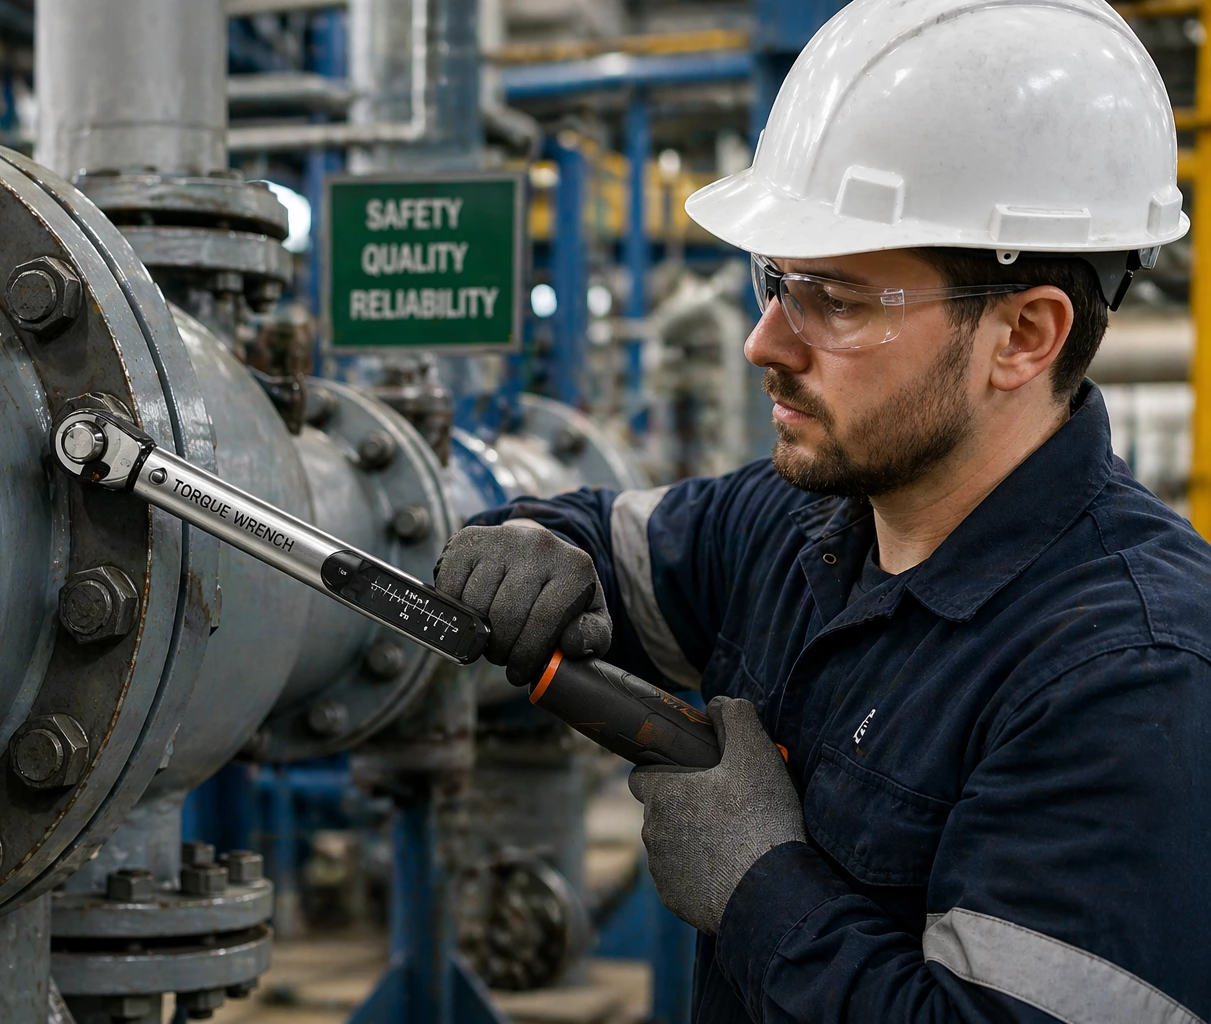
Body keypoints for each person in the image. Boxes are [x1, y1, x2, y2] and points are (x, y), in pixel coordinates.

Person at [433, 0, 1211, 1020]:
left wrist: (762, 891)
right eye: (775, 282)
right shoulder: (803, 522)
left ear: (1024, 336)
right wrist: (536, 538)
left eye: (834, 300)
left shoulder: (1129, 675)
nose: (763, 342)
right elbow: (609, 546)